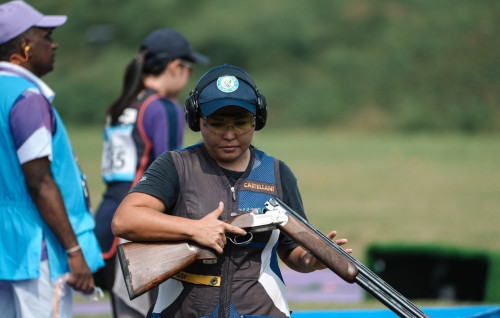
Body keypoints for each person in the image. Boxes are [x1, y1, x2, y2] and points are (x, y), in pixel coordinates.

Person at [111, 64, 351, 318]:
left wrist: (309, 261)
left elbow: (292, 249)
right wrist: (195, 229)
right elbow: (124, 219)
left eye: (241, 123)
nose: (229, 134)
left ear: (256, 121)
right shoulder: (174, 165)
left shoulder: (278, 173)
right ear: (198, 120)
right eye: (216, 123)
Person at [93, 28, 209, 317]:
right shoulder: (163, 107)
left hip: (107, 222)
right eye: (188, 68)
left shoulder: (120, 106)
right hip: (141, 226)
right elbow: (171, 175)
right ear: (175, 67)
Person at [0, 1, 104, 317]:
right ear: (25, 45)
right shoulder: (26, 98)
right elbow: (39, 181)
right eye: (46, 35)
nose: (54, 43)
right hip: (37, 246)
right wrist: (74, 251)